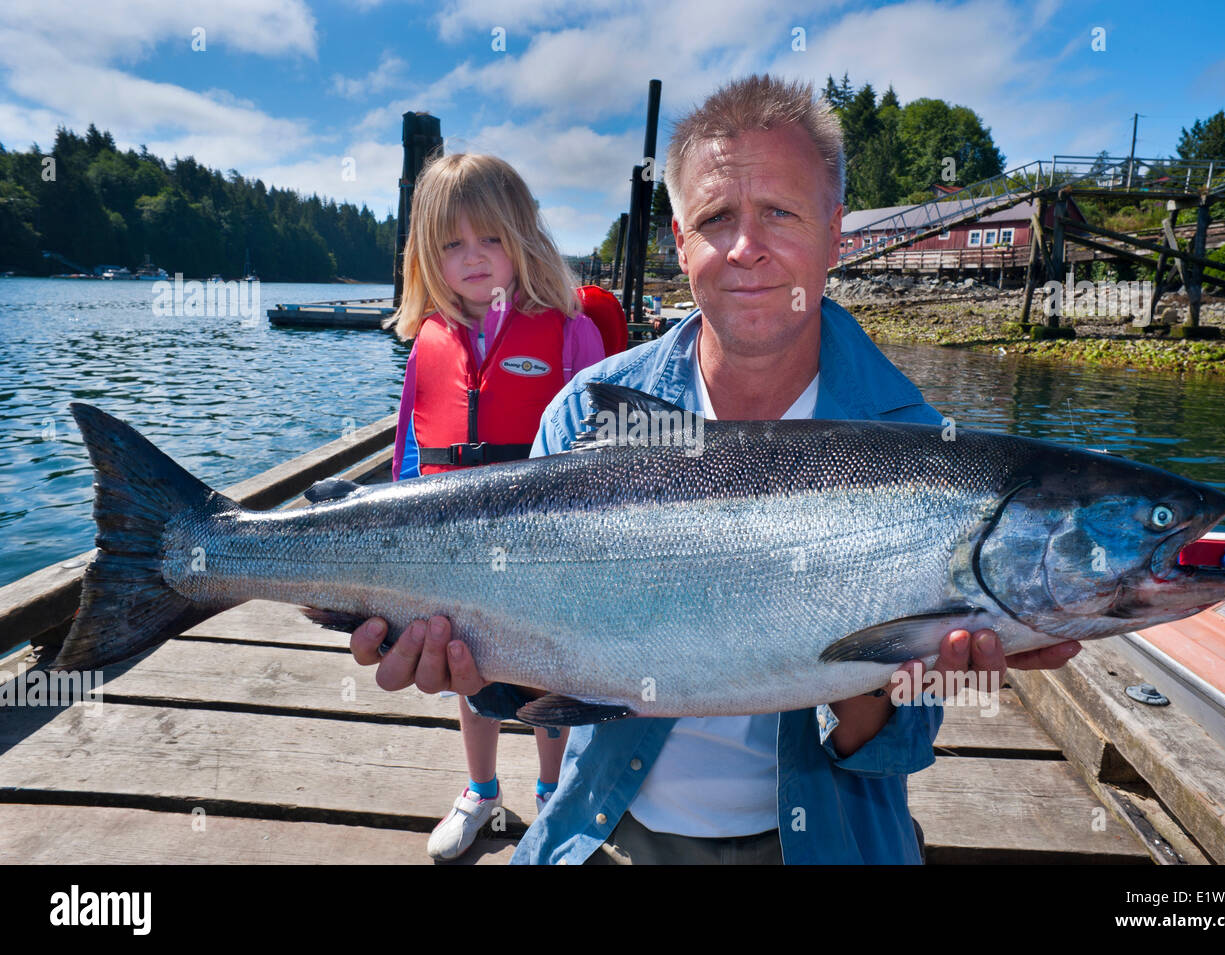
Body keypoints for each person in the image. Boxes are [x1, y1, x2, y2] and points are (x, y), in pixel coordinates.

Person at [351, 75, 1080, 864]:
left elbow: (898, 739)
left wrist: (911, 678)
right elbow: (526, 689)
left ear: (837, 232)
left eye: (779, 212)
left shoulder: (920, 449)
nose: (745, 247)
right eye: (716, 218)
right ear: (679, 240)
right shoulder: (582, 415)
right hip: (604, 828)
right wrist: (470, 670)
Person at [385, 151, 605, 860]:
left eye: (490, 238)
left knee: (547, 678)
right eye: (451, 244)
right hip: (450, 550)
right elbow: (409, 449)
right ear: (429, 255)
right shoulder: (428, 343)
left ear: (522, 237)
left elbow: (602, 452)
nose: (472, 257)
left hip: (548, 553)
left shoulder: (572, 330)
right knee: (463, 668)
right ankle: (482, 790)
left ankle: (552, 798)